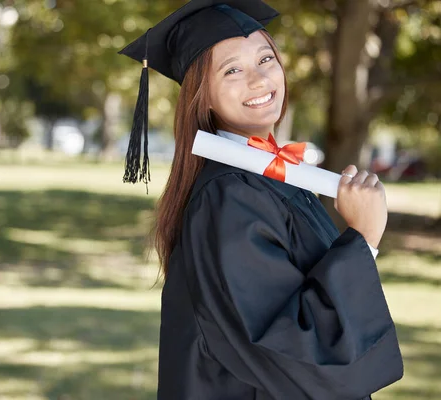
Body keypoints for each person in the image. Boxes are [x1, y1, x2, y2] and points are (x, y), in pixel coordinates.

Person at [119, 0, 404, 399]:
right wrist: (363, 238)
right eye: (232, 69)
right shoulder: (229, 196)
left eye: (266, 58)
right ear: (203, 96)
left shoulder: (269, 175)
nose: (258, 79)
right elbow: (285, 344)